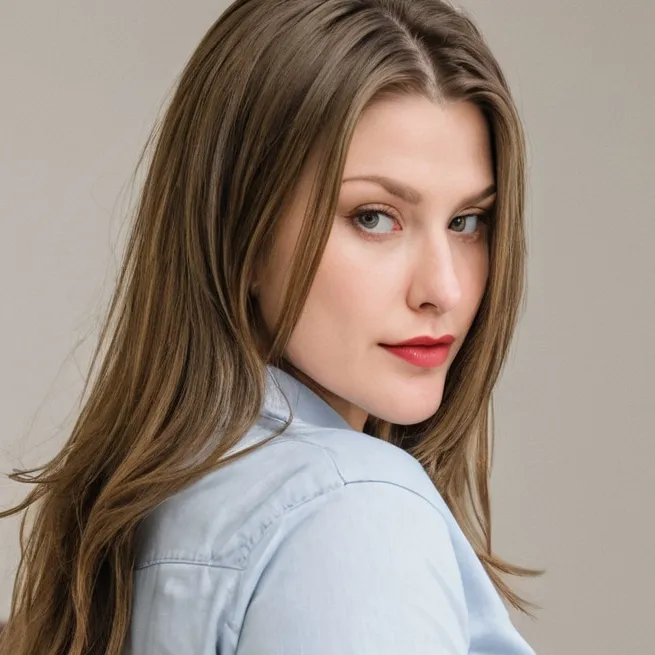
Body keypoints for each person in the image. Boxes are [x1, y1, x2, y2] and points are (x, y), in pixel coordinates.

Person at [0, 0, 543, 652]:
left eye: (466, 222)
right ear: (243, 232)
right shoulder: (354, 513)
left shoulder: (143, 515)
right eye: (373, 217)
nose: (443, 289)